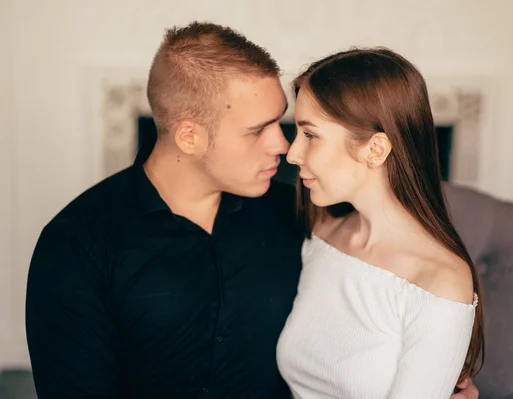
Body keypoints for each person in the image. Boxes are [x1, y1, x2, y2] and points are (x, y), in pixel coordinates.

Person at [25, 21, 480, 399]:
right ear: (189, 136)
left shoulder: (298, 214)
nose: (284, 147)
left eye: (287, 126)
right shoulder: (78, 246)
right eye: (258, 130)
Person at [276, 48, 484, 398]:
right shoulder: (321, 236)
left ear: (375, 150)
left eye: (310, 135)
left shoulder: (439, 283)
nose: (292, 154)